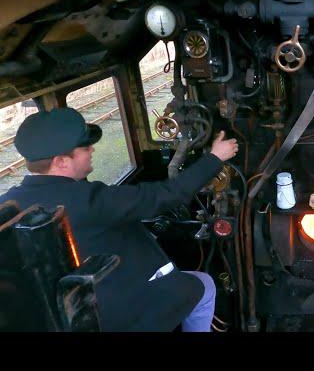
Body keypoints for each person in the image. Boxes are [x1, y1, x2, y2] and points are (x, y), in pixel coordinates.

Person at [0, 107, 239, 332]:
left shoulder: (8, 203)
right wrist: (215, 158)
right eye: (85, 148)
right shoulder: (89, 199)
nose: (92, 150)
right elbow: (166, 195)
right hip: (113, 311)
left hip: (63, 315)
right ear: (61, 161)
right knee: (204, 285)